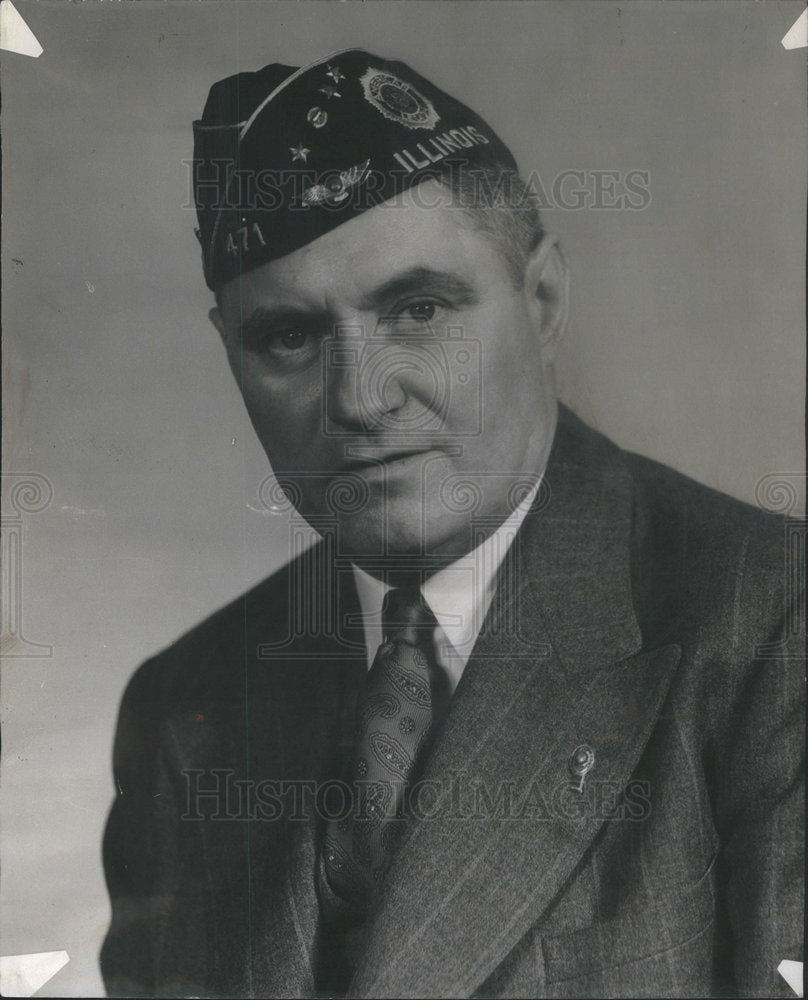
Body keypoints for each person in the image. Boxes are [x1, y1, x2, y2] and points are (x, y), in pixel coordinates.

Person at [100, 49, 803, 999]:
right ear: (230, 352)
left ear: (544, 300)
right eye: (290, 337)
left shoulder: (773, 631)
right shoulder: (187, 702)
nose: (361, 398)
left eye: (419, 308)